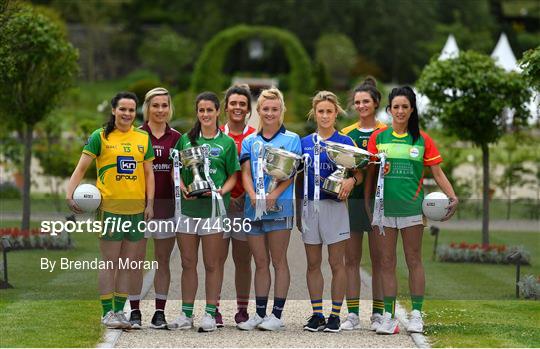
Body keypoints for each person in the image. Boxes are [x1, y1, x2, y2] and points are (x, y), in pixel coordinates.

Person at [366, 86, 458, 335]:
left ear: (412, 109)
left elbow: (437, 172)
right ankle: (388, 316)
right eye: (395, 106)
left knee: (413, 260)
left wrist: (452, 195)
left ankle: (417, 314)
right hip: (383, 210)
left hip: (412, 211)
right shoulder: (379, 138)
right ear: (389, 109)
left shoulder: (423, 139)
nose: (400, 111)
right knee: (386, 262)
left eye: (405, 106)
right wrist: (368, 206)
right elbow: (369, 174)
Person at [66, 91, 155, 329]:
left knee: (128, 264)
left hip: (136, 210)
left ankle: (120, 312)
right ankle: (107, 313)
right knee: (109, 262)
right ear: (114, 110)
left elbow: (149, 174)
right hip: (110, 210)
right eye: (122, 109)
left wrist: (150, 203)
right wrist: (69, 192)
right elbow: (81, 167)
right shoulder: (100, 137)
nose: (127, 114)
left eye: (131, 110)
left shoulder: (142, 138)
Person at [171, 92, 240, 332]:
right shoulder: (186, 141)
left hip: (213, 211)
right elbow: (176, 170)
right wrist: (181, 188)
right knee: (188, 263)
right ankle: (186, 314)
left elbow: (233, 175)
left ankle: (210, 314)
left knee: (212, 264)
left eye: (209, 110)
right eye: (201, 110)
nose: (205, 114)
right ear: (197, 112)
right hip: (188, 210)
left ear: (218, 111)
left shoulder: (227, 143)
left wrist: (221, 192)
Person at [238, 87, 301, 331]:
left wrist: (274, 195)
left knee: (278, 260)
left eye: (275, 109)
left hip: (280, 207)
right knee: (260, 262)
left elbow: (291, 173)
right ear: (258, 111)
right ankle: (260, 313)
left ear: (281, 110)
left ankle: (277, 315)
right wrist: (253, 195)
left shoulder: (292, 139)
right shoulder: (249, 141)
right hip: (253, 208)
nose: (270, 113)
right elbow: (245, 172)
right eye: (266, 109)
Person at [296, 91, 358, 333]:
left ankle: (334, 315)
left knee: (336, 263)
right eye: (320, 111)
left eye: (329, 111)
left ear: (336, 113)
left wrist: (351, 182)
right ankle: (317, 314)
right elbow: (298, 178)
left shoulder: (344, 142)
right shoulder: (304, 143)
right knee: (313, 263)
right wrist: (298, 210)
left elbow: (358, 171)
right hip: (310, 207)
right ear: (314, 113)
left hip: (335, 206)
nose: (324, 115)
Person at [127, 87, 181, 329]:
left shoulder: (178, 138)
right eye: (155, 105)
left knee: (162, 261)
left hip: (167, 208)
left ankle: (160, 313)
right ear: (147, 108)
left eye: (164, 105)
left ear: (170, 108)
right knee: (136, 260)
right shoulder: (136, 135)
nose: (160, 110)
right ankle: (135, 311)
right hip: (139, 209)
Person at [340, 77, 387, 331]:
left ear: (376, 103)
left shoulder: (386, 133)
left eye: (365, 101)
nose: (361, 106)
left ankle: (378, 314)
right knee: (352, 260)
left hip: (379, 202)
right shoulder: (347, 134)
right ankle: (353, 314)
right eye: (357, 102)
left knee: (380, 260)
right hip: (353, 202)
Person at [215, 84, 256, 326]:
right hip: (220, 208)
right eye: (233, 103)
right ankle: (214, 308)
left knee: (243, 262)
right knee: (216, 261)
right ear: (226, 107)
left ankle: (242, 310)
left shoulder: (255, 137)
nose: (238, 107)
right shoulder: (216, 135)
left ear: (248, 109)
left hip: (245, 209)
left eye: (242, 104)